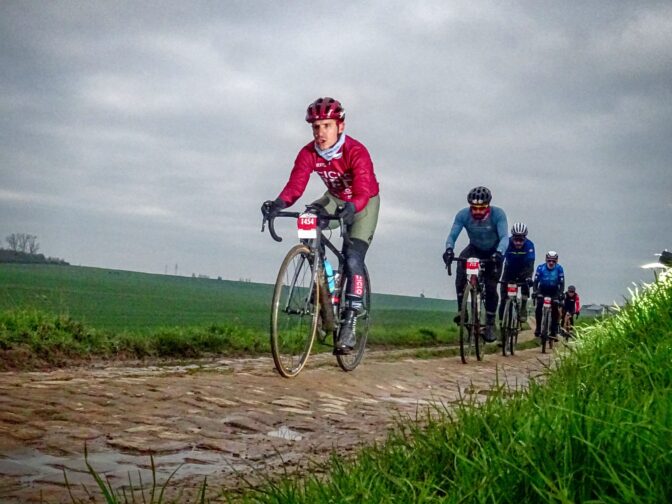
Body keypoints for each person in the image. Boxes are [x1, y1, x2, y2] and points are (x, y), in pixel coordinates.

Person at [261, 97, 380, 354]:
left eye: (326, 125)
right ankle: (323, 288)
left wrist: (352, 207)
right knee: (308, 218)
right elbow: (296, 185)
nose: (320, 132)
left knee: (352, 258)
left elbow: (362, 190)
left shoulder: (356, 152)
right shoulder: (309, 153)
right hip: (336, 198)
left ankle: (349, 321)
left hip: (364, 202)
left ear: (340, 126)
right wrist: (278, 204)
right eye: (315, 127)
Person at [442, 186, 508, 342]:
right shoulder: (463, 215)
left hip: (494, 251)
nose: (477, 212)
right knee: (460, 266)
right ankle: (461, 310)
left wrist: (499, 253)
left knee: (491, 286)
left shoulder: (498, 214)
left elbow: (505, 237)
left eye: (482, 208)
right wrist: (449, 250)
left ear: (488, 206)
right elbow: (452, 235)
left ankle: (491, 324)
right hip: (474, 249)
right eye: (474, 208)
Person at [498, 222, 535, 325]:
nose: (518, 243)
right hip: (509, 270)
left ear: (525, 239)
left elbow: (530, 264)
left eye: (521, 240)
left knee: (526, 285)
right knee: (504, 298)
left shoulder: (529, 245)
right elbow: (500, 259)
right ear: (512, 238)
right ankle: (502, 322)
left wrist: (528, 277)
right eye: (516, 240)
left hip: (523, 270)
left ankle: (523, 306)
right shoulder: (507, 243)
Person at [532, 251, 565, 339]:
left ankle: (553, 330)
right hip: (542, 289)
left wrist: (561, 294)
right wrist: (535, 292)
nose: (551, 263)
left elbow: (562, 283)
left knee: (555, 307)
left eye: (553, 261)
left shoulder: (559, 268)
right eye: (549, 260)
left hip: (554, 291)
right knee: (539, 305)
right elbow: (535, 282)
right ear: (546, 260)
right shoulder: (540, 268)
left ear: (556, 261)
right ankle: (538, 328)